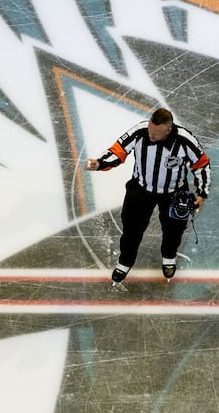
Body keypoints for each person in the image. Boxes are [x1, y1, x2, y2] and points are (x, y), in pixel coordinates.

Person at [85, 108, 211, 284]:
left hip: (173, 193)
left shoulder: (184, 140)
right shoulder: (141, 131)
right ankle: (125, 262)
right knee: (131, 229)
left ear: (168, 130)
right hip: (141, 189)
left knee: (174, 230)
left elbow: (201, 165)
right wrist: (100, 163)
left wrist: (202, 193)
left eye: (155, 134)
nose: (151, 135)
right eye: (150, 130)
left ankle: (169, 256)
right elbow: (119, 150)